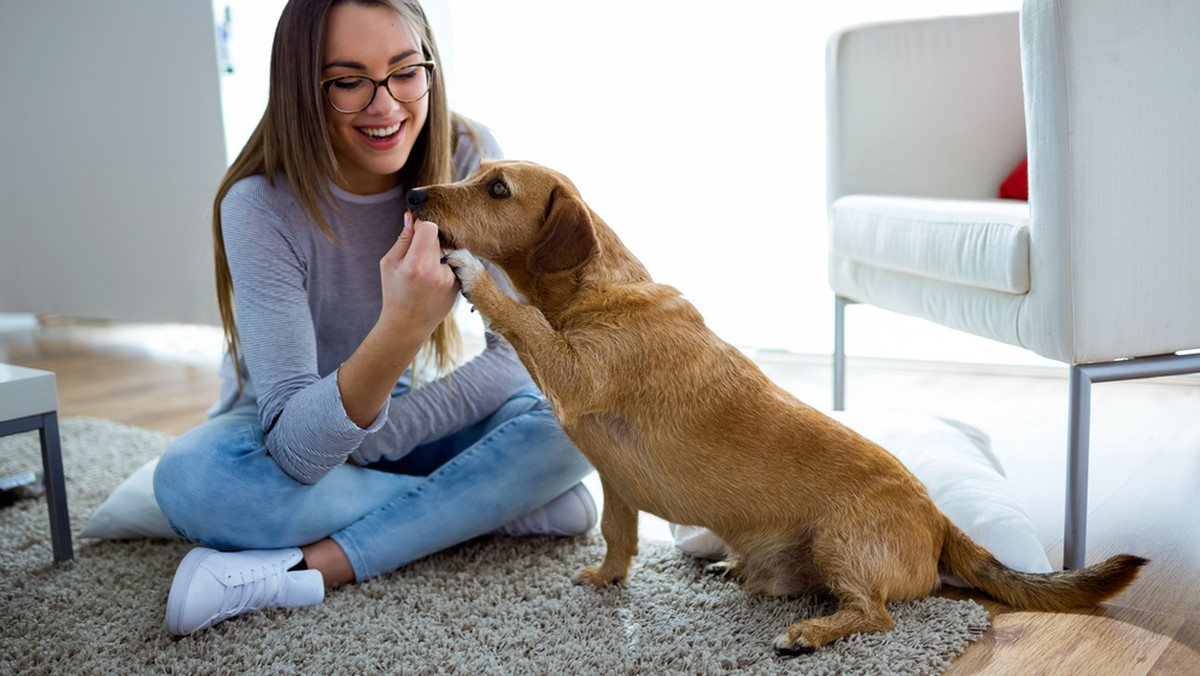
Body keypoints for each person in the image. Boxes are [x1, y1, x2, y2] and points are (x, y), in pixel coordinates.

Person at [153, 0, 595, 636]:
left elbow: (521, 351)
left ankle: (312, 565)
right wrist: (403, 328)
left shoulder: (468, 157)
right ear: (302, 90)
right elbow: (295, 448)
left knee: (575, 415)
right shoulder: (258, 205)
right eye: (348, 82)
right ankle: (500, 506)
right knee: (196, 482)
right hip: (277, 439)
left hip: (395, 428)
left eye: (404, 71)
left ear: (429, 68)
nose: (385, 106)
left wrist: (374, 442)